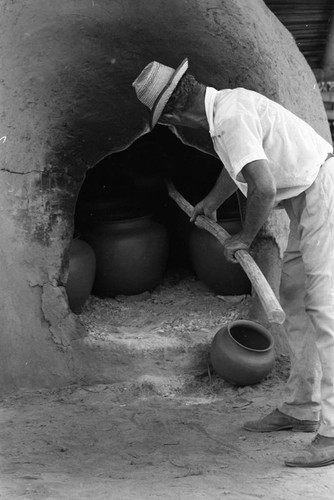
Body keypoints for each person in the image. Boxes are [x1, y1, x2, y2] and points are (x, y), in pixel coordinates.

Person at [132, 57, 334, 468]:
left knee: (326, 310)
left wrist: (243, 237)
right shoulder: (226, 106)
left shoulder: (227, 119)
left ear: (173, 113)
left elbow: (263, 186)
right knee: (295, 298)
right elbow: (237, 164)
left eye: (168, 122)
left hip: (321, 195)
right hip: (306, 200)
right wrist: (212, 200)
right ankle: (301, 407)